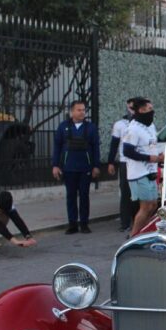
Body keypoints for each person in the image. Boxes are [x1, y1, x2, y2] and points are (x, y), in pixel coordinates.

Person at [52, 100, 101, 234]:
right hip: (69, 168)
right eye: (79, 110)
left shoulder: (90, 127)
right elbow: (57, 147)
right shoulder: (63, 127)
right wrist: (55, 165)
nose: (82, 112)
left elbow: (96, 147)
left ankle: (84, 223)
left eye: (84, 110)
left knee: (84, 195)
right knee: (71, 196)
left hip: (85, 167)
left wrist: (96, 166)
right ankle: (72, 224)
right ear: (72, 112)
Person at [123, 98, 162, 237]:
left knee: (152, 205)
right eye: (148, 109)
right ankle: (133, 235)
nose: (151, 112)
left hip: (151, 170)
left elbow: (151, 145)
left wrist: (158, 155)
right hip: (139, 173)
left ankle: (143, 232)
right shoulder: (133, 129)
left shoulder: (150, 126)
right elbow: (127, 151)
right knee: (145, 206)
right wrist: (148, 158)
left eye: (152, 109)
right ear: (140, 110)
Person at [107, 98, 138, 232]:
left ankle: (137, 222)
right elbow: (114, 144)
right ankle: (125, 223)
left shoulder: (144, 124)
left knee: (138, 194)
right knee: (125, 193)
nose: (131, 110)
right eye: (129, 108)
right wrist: (110, 162)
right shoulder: (120, 124)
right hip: (125, 162)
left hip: (139, 163)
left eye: (133, 108)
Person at [0, 190, 36, 256]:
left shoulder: (6, 201)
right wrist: (15, 241)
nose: (0, 212)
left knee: (4, 216)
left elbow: (17, 219)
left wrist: (28, 236)